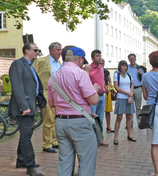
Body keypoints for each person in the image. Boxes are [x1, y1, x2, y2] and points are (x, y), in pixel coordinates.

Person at [47, 47, 99, 176]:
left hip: (61, 122)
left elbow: (52, 104)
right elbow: (93, 100)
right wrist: (95, 91)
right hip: (79, 123)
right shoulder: (80, 73)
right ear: (80, 59)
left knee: (65, 160)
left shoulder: (54, 77)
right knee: (86, 161)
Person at [9, 43, 44, 176]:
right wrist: (24, 107)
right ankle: (31, 166)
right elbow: (17, 87)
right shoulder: (18, 64)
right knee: (25, 136)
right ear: (27, 50)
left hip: (30, 106)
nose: (37, 52)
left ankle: (21, 159)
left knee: (27, 134)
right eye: (35, 50)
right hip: (23, 108)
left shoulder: (30, 66)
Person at [33, 42, 62, 153]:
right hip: (45, 92)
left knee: (56, 118)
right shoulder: (41, 61)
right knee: (48, 119)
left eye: (60, 49)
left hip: (57, 93)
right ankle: (46, 144)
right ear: (51, 51)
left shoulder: (59, 62)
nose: (60, 52)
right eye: (57, 50)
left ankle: (54, 141)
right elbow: (34, 74)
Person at [113, 60, 136, 145]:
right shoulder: (116, 75)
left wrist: (130, 96)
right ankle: (116, 137)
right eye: (122, 66)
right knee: (119, 117)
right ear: (120, 67)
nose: (124, 67)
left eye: (125, 66)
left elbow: (131, 85)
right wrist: (127, 93)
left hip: (129, 98)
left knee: (129, 117)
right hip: (121, 98)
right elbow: (116, 88)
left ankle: (129, 135)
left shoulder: (129, 75)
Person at [89, 49, 109, 146]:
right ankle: (92, 140)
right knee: (92, 119)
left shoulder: (101, 67)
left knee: (100, 119)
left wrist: (104, 92)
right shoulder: (88, 68)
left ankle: (100, 139)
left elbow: (103, 80)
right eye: (97, 56)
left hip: (101, 96)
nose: (99, 57)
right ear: (92, 58)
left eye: (100, 55)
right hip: (93, 96)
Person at [127, 53, 145, 128]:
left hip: (138, 88)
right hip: (129, 89)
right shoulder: (127, 68)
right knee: (130, 107)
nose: (132, 60)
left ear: (135, 59)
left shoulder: (139, 68)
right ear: (129, 60)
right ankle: (130, 123)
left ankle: (139, 122)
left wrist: (142, 74)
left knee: (138, 107)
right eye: (130, 59)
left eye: (133, 59)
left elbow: (144, 79)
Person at [101, 59, 114, 132]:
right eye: (101, 63)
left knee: (108, 110)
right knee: (100, 110)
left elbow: (110, 82)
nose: (102, 64)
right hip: (100, 89)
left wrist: (109, 87)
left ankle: (108, 126)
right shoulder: (96, 71)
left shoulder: (106, 71)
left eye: (103, 63)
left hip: (107, 90)